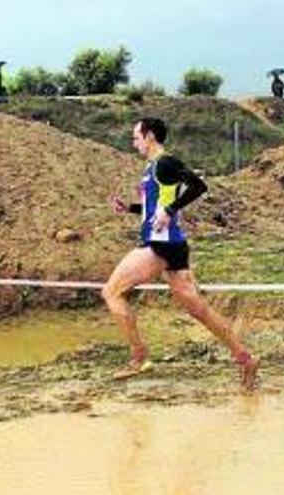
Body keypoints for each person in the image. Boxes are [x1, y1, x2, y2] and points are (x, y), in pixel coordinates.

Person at [103, 118, 259, 389]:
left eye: (136, 137)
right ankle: (245, 358)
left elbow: (199, 186)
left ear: (150, 136)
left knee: (111, 293)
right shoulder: (152, 167)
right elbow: (155, 208)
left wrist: (172, 209)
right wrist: (128, 208)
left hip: (159, 244)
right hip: (172, 243)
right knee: (198, 309)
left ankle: (139, 356)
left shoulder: (165, 162)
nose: (134, 143)